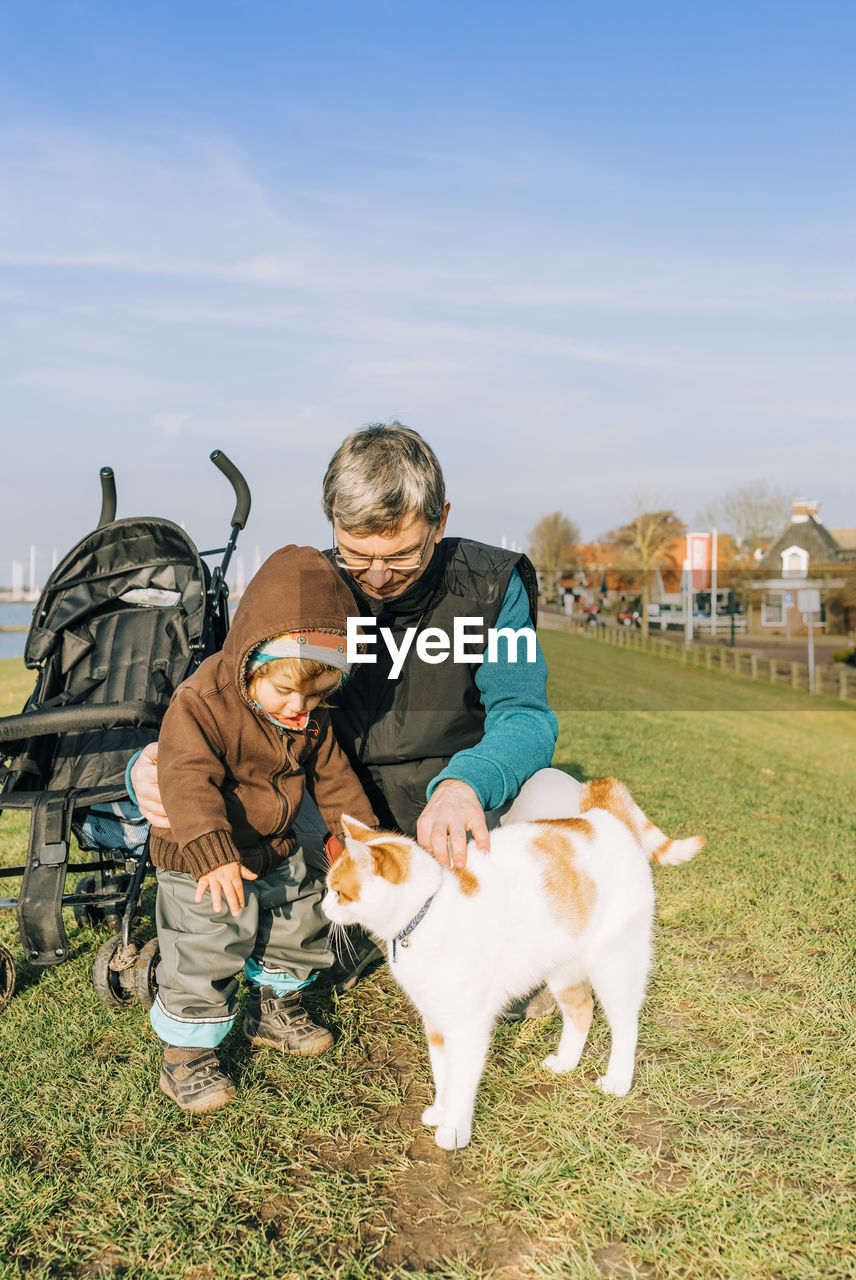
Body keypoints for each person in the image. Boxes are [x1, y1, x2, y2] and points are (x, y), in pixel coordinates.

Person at [132, 424, 581, 998]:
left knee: (558, 795)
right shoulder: (300, 587)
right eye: (356, 555)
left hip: (455, 817)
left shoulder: (495, 587)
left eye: (400, 557)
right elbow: (219, 703)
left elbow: (527, 717)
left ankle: (521, 954)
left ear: (440, 521)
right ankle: (317, 942)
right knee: (202, 797)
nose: (375, 578)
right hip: (333, 824)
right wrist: (148, 765)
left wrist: (466, 782)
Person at [146, 544, 377, 1114]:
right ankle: (187, 1054)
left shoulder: (307, 716)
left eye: (318, 694)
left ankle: (273, 1005)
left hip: (273, 848)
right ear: (251, 659)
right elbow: (185, 777)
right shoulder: (202, 701)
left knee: (297, 915)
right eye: (285, 691)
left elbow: (334, 779)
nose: (301, 708)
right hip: (201, 856)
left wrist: (360, 840)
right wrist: (211, 851)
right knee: (207, 944)